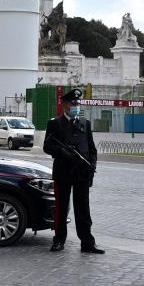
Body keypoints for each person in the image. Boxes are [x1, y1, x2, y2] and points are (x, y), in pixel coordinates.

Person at [43, 88, 103, 254]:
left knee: (83, 209)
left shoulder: (85, 123)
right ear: (65, 104)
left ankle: (87, 242)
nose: (76, 105)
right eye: (73, 103)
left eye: (78, 103)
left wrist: (92, 166)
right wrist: (61, 152)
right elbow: (47, 146)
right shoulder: (55, 124)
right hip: (63, 172)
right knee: (62, 208)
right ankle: (59, 240)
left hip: (82, 172)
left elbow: (92, 149)